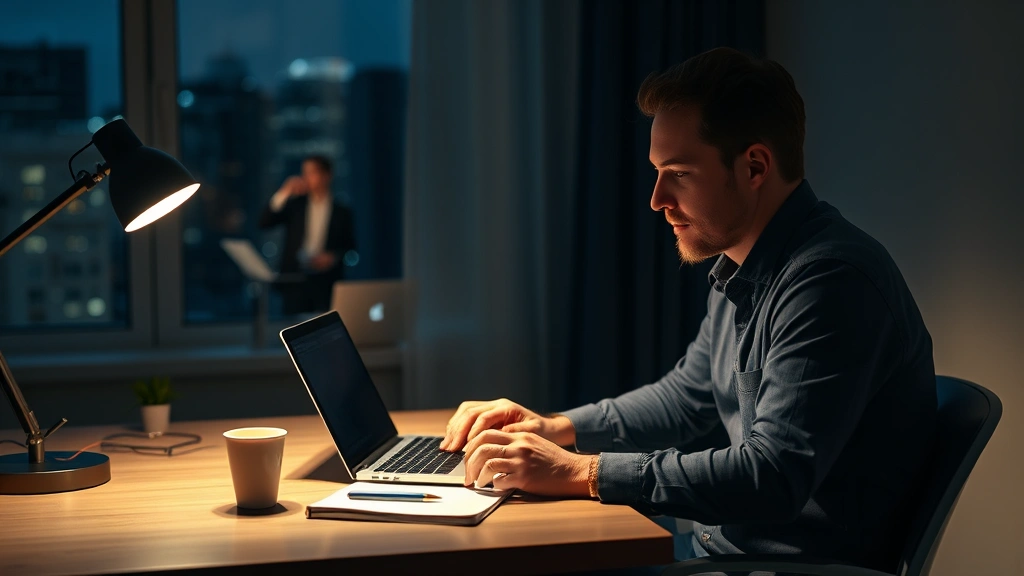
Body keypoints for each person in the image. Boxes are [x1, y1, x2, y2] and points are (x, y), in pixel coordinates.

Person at [440, 47, 936, 572]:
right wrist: (553, 428)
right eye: (657, 172)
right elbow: (686, 399)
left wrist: (584, 472)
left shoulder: (830, 281)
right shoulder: (739, 267)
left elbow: (772, 477)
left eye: (677, 173)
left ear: (754, 166)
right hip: (721, 554)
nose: (656, 199)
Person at [259, 155, 356, 315]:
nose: (306, 178)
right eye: (305, 173)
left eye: (312, 173)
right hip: (296, 279)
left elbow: (350, 247)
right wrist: (285, 192)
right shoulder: (296, 205)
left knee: (326, 326)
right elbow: (264, 222)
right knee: (293, 327)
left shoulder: (342, 212)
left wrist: (332, 257)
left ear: (327, 175)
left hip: (326, 281)